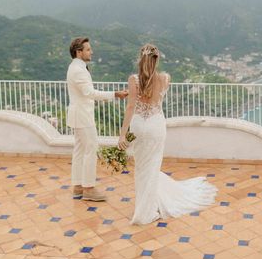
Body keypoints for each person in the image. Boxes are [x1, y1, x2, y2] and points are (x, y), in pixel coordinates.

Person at [118, 43, 217, 224]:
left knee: (141, 168)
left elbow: (131, 106)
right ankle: (147, 208)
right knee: (152, 167)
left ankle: (144, 209)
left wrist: (122, 134)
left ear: (140, 58)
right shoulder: (165, 78)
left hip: (139, 126)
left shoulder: (133, 80)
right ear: (157, 60)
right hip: (156, 126)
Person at [67, 37, 127, 201]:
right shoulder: (78, 70)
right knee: (91, 150)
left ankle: (78, 187)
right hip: (83, 117)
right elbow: (90, 93)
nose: (91, 52)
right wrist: (115, 94)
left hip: (78, 115)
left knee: (80, 151)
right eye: (88, 49)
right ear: (79, 52)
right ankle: (89, 189)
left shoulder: (76, 67)